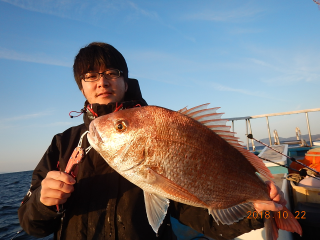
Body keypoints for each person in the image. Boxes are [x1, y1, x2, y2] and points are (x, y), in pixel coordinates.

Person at [18, 42, 286, 240]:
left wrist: (258, 210)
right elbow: (32, 225)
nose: (102, 82)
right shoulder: (62, 144)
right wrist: (43, 203)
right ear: (82, 87)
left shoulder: (162, 127)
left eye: (112, 72)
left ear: (125, 80)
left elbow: (203, 219)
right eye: (90, 76)